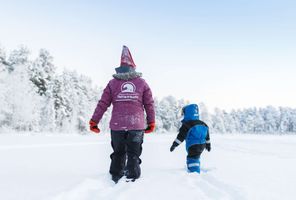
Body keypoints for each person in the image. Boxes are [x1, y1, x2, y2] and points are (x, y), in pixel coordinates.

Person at [89, 45, 155, 183]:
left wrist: (94, 121)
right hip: (136, 125)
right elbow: (149, 104)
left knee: (118, 152)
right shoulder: (142, 83)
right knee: (134, 153)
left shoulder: (112, 83)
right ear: (133, 67)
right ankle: (132, 178)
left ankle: (115, 176)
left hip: (117, 125)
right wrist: (151, 122)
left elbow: (103, 103)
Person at [169, 104, 211, 173]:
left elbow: (181, 137)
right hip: (202, 145)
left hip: (193, 146)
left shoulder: (187, 124)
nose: (182, 115)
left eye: (183, 113)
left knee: (192, 159)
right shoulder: (203, 124)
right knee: (196, 157)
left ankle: (194, 174)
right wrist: (208, 145)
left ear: (187, 113)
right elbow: (207, 136)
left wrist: (174, 145)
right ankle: (196, 169)